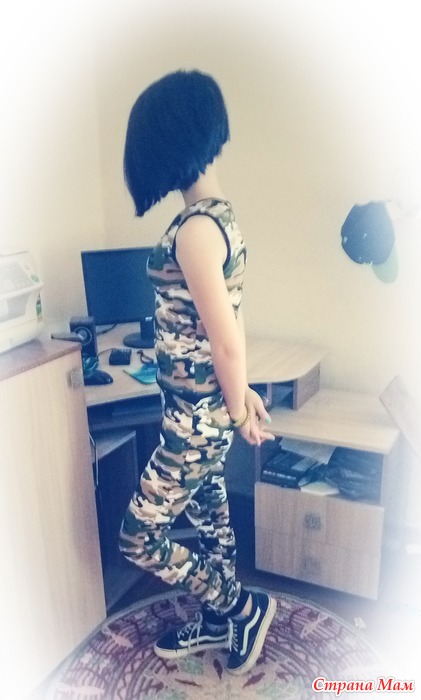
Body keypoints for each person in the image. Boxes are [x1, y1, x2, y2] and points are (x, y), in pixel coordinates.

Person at [119, 69, 276, 676]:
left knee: (138, 536)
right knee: (210, 518)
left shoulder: (193, 232)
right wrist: (241, 397)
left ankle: (240, 608)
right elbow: (231, 321)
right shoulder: (220, 219)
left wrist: (238, 410)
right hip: (200, 413)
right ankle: (216, 618)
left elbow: (224, 342)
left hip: (195, 423)